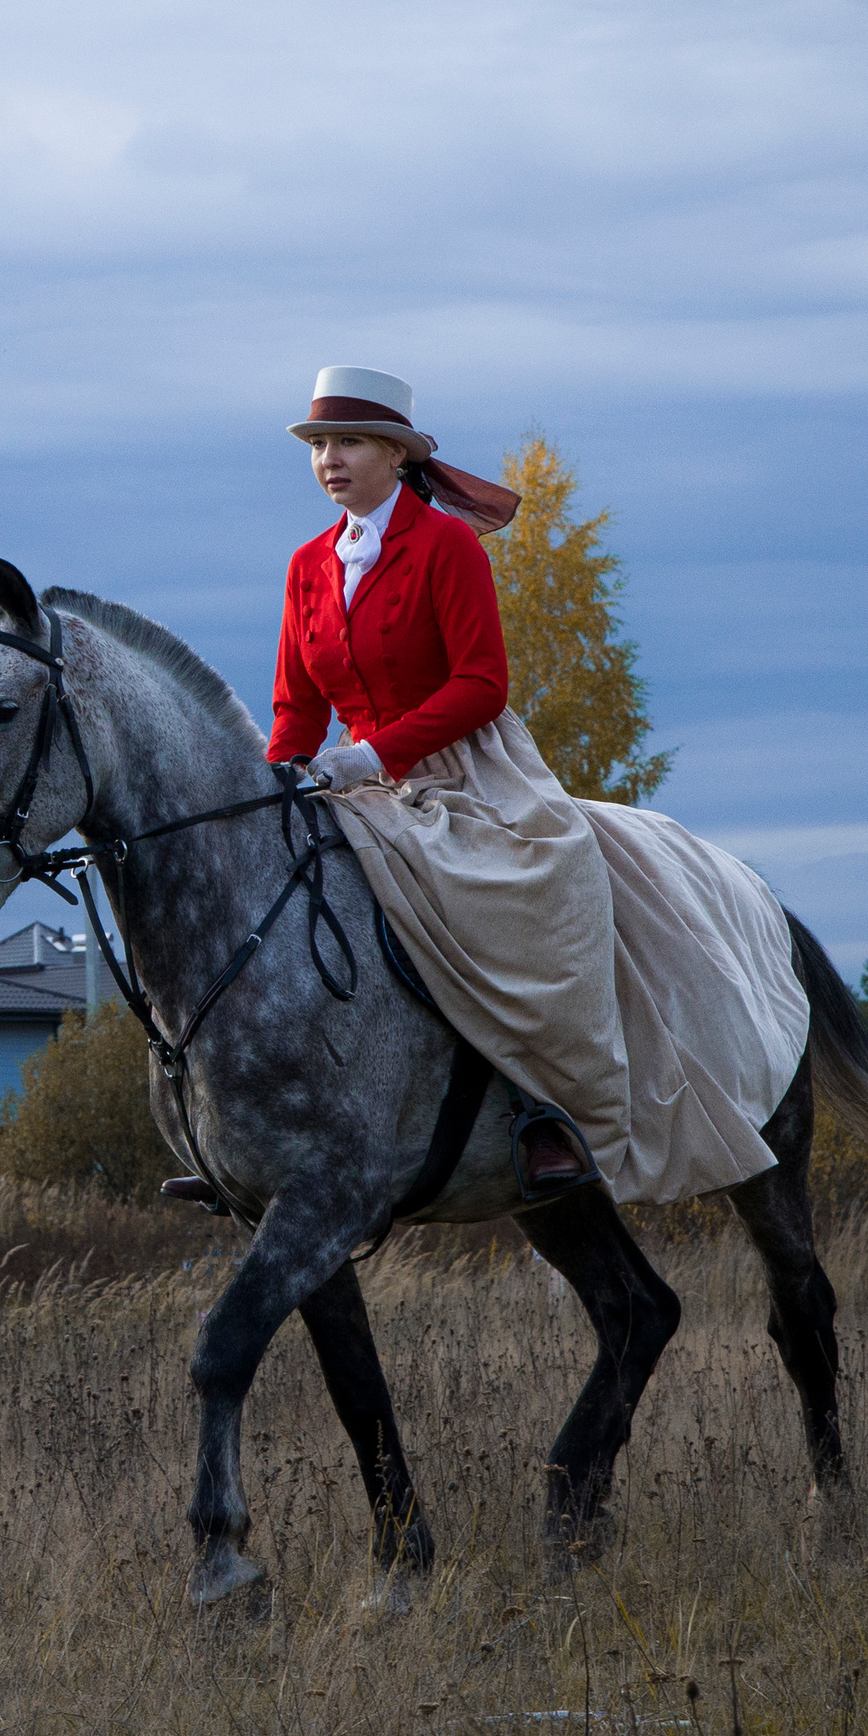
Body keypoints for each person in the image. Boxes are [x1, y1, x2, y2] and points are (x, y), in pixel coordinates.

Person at [265, 366, 603, 1195]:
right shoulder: (307, 564)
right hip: (348, 776)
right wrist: (276, 784)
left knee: (500, 900)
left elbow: (483, 684)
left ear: (392, 452)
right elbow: (296, 703)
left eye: (346, 442)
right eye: (317, 444)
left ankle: (537, 1112)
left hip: (463, 767)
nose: (328, 459)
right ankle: (262, 1127)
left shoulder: (445, 544)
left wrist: (373, 756)